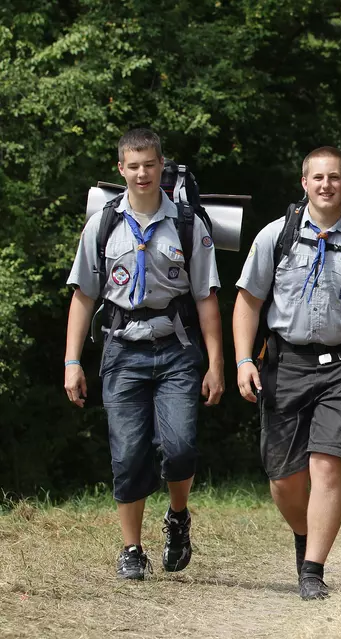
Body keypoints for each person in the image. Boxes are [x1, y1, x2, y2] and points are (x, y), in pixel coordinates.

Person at [232, 146, 341, 600]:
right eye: (318, 178)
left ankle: (313, 570)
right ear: (304, 184)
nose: (326, 185)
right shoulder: (278, 235)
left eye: (335, 178)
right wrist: (243, 360)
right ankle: (306, 535)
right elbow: (248, 300)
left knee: (328, 468)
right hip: (285, 363)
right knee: (283, 479)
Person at [63, 128, 224, 580]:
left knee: (180, 448)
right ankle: (131, 549)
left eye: (149, 165)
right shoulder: (104, 224)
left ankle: (177, 517)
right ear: (121, 169)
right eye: (132, 166)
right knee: (128, 453)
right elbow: (83, 296)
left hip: (176, 348)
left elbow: (207, 297)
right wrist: (72, 361)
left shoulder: (188, 224)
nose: (141, 174)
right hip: (121, 348)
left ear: (161, 166)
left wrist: (217, 363)